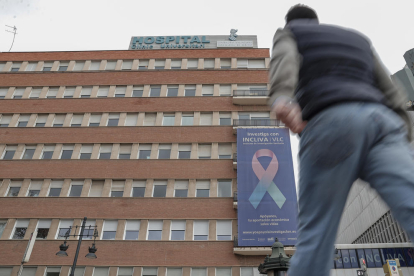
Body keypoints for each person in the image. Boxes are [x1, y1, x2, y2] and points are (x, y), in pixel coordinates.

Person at [269, 4, 414, 276]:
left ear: (291, 22)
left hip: (332, 121)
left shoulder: (289, 33)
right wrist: (402, 136)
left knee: (316, 236)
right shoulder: (358, 39)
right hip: (382, 122)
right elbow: (393, 91)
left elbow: (284, 60)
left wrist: (281, 98)